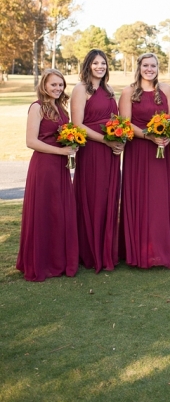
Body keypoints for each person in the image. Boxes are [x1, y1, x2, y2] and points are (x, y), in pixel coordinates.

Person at [16, 71, 79, 282]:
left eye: (61, 85)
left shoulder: (60, 108)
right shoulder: (37, 107)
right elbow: (31, 141)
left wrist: (71, 146)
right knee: (44, 212)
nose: (58, 88)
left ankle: (58, 261)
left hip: (61, 166)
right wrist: (61, 151)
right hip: (44, 166)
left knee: (58, 212)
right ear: (44, 85)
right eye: (54, 84)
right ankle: (41, 262)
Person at [118, 54, 170, 268]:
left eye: (153, 65)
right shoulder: (128, 92)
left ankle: (161, 250)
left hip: (161, 149)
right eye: (145, 65)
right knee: (140, 196)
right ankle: (139, 251)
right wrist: (148, 135)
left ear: (158, 68)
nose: (149, 69)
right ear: (139, 67)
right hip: (139, 150)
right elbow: (125, 124)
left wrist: (166, 135)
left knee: (158, 198)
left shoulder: (166, 90)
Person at [70, 49, 121, 272]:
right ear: (88, 65)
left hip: (111, 153)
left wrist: (120, 139)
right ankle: (90, 252)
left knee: (109, 196)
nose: (100, 66)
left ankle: (106, 250)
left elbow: (116, 120)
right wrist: (106, 141)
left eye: (103, 63)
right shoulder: (81, 89)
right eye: (96, 63)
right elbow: (77, 125)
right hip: (91, 151)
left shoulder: (109, 90)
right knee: (93, 197)